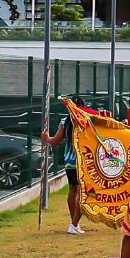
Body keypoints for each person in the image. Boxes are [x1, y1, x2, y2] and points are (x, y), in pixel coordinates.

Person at [41, 96, 89, 235]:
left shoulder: (65, 121)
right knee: (85, 193)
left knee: (73, 190)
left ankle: (74, 223)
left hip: (69, 162)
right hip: (84, 162)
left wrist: (46, 138)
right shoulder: (87, 120)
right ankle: (74, 224)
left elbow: (55, 141)